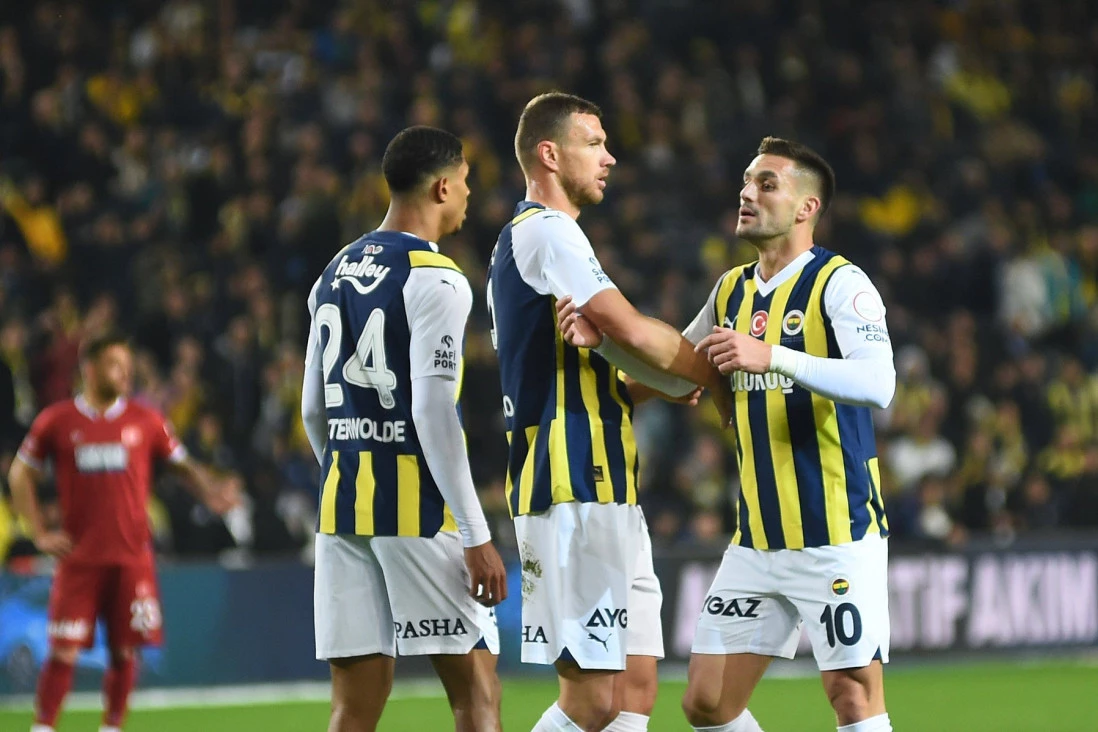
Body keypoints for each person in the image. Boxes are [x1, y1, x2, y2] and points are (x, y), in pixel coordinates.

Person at [562, 136, 896, 732]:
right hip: (756, 541)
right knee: (707, 703)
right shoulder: (731, 290)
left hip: (838, 533)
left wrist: (774, 357)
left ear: (807, 207)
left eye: (767, 184)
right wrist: (605, 345)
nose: (747, 193)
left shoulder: (841, 283)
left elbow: (879, 384)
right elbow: (678, 374)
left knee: (852, 694)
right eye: (746, 181)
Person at [487, 91, 722, 732]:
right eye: (593, 143)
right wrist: (714, 373)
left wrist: (662, 382)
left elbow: (600, 376)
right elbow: (632, 330)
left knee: (635, 690)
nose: (610, 157)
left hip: (608, 482)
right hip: (570, 483)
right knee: (592, 699)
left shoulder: (533, 241)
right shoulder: (548, 231)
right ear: (549, 153)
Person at [301, 125, 508, 732]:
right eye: (465, 182)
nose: (468, 195)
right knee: (476, 691)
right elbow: (433, 411)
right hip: (416, 510)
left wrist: (349, 465)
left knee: (353, 704)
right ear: (442, 186)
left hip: (342, 508)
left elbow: (312, 409)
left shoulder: (332, 272)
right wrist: (475, 533)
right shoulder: (436, 277)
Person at [7, 331, 236, 732]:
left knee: (125, 651)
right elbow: (20, 473)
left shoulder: (147, 421)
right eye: (115, 366)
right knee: (62, 651)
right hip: (79, 559)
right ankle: (43, 727)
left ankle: (112, 727)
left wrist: (211, 491)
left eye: (128, 368)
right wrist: (39, 532)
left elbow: (182, 465)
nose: (125, 375)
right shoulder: (57, 421)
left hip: (132, 558)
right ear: (90, 369)